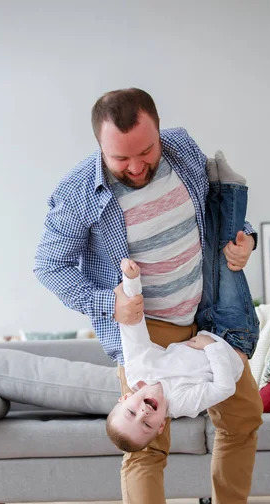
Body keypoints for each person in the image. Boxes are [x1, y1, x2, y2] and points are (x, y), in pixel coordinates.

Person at [34, 88, 270, 504]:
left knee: (245, 414)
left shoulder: (183, 149)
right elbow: (48, 266)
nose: (138, 167)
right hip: (147, 329)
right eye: (122, 158)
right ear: (100, 144)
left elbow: (219, 213)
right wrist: (109, 304)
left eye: (147, 152)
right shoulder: (78, 191)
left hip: (207, 316)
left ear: (160, 131)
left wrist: (244, 239)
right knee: (146, 446)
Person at [107, 153, 258, 451]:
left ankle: (213, 191)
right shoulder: (183, 403)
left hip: (205, 323)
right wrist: (214, 348)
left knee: (206, 257)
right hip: (233, 338)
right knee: (224, 260)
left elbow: (132, 330)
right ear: (162, 424)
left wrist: (132, 281)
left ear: (125, 398)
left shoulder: (139, 372)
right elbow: (224, 387)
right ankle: (231, 188)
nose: (144, 414)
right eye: (147, 424)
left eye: (131, 412)